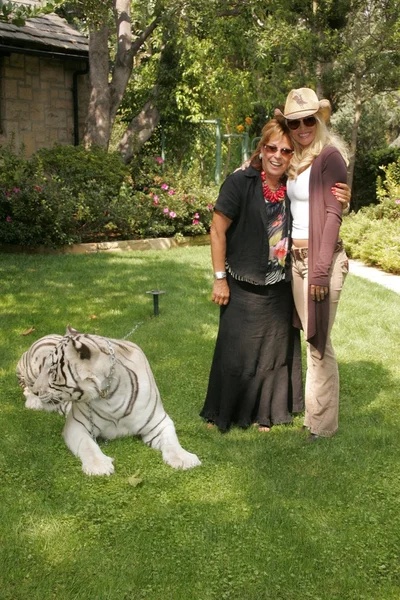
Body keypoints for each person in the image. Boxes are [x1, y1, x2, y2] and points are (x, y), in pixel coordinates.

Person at [200, 117, 350, 433]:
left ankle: (270, 412)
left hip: (282, 284)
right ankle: (226, 409)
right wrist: (218, 277)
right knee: (236, 349)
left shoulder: (292, 186)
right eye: (271, 148)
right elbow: (217, 230)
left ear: (293, 154)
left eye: (285, 150)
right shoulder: (240, 182)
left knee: (274, 351)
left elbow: (323, 204)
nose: (278, 155)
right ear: (261, 148)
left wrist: (343, 201)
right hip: (241, 283)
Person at [275, 87, 350, 441]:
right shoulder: (297, 158)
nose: (303, 127)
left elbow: (333, 216)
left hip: (323, 262)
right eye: (295, 122)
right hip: (297, 262)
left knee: (319, 344)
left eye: (309, 120)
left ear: (319, 120)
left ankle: (321, 426)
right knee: (312, 342)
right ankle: (314, 417)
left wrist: (320, 271)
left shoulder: (330, 157)